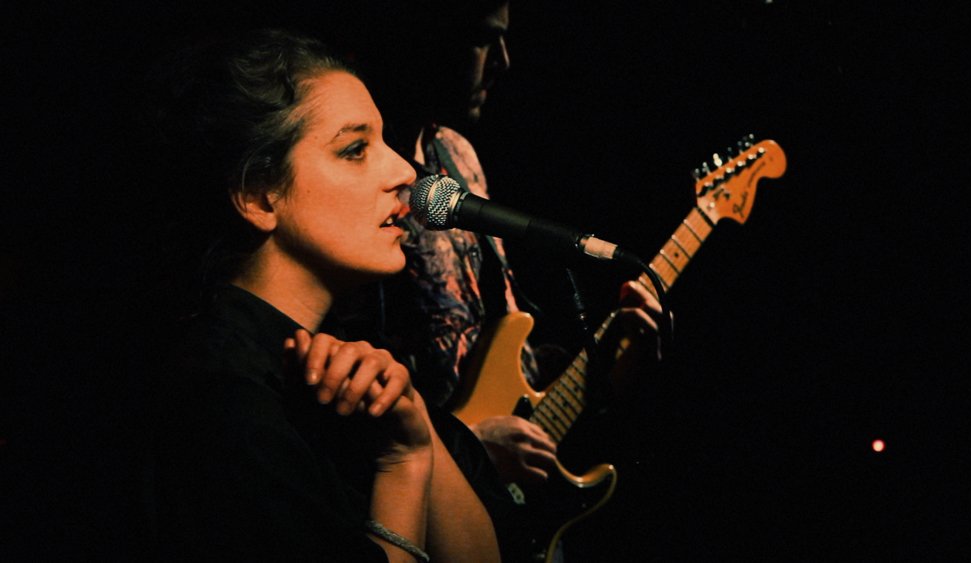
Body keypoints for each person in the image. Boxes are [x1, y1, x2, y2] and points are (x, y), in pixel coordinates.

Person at [143, 28, 502, 562]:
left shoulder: (357, 367)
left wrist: (419, 430)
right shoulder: (224, 396)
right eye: (355, 149)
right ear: (259, 195)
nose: (404, 171)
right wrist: (402, 465)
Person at [316, 0, 665, 487]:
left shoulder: (457, 153)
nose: (504, 60)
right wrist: (469, 447)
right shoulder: (354, 180)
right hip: (420, 489)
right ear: (423, 38)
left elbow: (504, 341)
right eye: (482, 39)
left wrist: (607, 355)